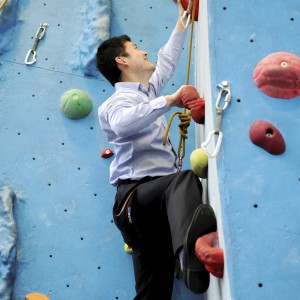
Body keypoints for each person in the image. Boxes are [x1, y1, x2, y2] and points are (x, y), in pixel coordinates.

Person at [96, 1, 217, 299]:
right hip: (136, 200)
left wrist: (182, 22)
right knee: (184, 180)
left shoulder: (147, 92)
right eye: (136, 48)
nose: (144, 51)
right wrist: (170, 100)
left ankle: (182, 253)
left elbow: (166, 62)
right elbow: (123, 125)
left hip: (155, 214)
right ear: (122, 61)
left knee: (154, 295)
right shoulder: (115, 104)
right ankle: (190, 255)